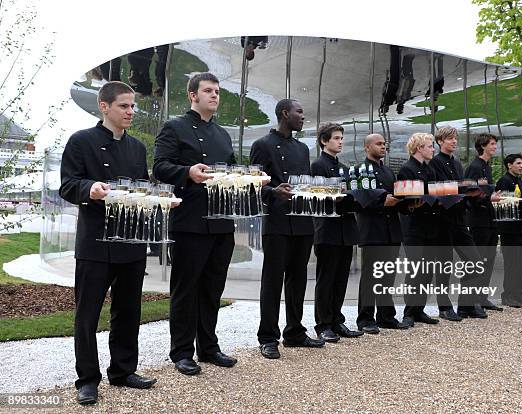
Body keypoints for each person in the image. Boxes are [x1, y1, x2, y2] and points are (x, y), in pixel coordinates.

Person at [60, 81, 156, 405]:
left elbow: (141, 191)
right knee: (86, 316)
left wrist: (159, 201)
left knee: (128, 311)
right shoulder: (80, 141)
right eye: (124, 106)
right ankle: (87, 379)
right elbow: (68, 185)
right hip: (95, 244)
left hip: (130, 243)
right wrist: (90, 188)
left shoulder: (138, 148)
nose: (131, 112)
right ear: (104, 106)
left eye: (133, 107)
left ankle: (123, 370)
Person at [153, 72, 238, 375]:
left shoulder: (223, 134)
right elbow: (160, 167)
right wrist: (187, 172)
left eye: (217, 91)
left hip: (222, 221)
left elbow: (230, 170)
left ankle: (209, 347)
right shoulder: (173, 128)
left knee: (213, 288)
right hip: (189, 221)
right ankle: (181, 351)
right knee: (186, 288)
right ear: (192, 95)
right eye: (208, 91)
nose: (215, 95)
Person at [250, 99, 325, 359]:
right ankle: (268, 337)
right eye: (299, 111)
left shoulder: (302, 148)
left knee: (298, 279)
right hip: (278, 222)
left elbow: (304, 183)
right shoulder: (262, 145)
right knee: (272, 280)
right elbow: (254, 183)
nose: (303, 116)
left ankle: (294, 331)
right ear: (285, 113)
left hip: (303, 221)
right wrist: (272, 191)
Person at [311, 123, 363, 342]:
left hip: (346, 228)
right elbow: (319, 196)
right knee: (326, 278)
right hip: (327, 229)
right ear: (324, 141)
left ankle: (336, 320)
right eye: (336, 138)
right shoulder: (317, 166)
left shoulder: (344, 167)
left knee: (341, 278)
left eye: (341, 138)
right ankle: (323, 324)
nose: (340, 141)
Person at [429, 126, 486, 320]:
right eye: (450, 139)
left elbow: (460, 190)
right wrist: (461, 187)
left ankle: (466, 305)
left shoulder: (458, 164)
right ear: (440, 142)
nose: (454, 141)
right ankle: (444, 307)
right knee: (444, 266)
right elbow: (435, 189)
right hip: (442, 220)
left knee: (475, 261)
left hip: (459, 219)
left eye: (455, 139)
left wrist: (472, 192)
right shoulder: (434, 163)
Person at [355, 134, 410, 334]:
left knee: (388, 275)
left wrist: (408, 203)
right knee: (371, 276)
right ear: (367, 146)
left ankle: (386, 316)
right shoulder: (359, 171)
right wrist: (382, 202)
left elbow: (396, 198)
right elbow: (360, 200)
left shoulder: (388, 172)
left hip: (391, 230)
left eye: (384, 144)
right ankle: (365, 318)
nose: (383, 147)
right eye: (379, 144)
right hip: (372, 229)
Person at [398, 133, 442, 325]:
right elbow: (405, 199)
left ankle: (419, 309)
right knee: (415, 270)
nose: (433, 149)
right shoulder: (406, 170)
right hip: (414, 226)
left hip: (430, 225)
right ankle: (409, 311)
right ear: (418, 148)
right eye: (430, 146)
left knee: (427, 270)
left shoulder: (430, 169)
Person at [465, 133, 503, 311]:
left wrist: (491, 198)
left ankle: (482, 297)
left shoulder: (487, 167)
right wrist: (490, 198)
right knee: (477, 261)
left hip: (490, 220)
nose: (495, 147)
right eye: (492, 144)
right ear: (483, 146)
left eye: (495, 144)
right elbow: (470, 195)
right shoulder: (474, 167)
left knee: (488, 260)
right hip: (478, 221)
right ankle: (471, 300)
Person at [495, 154, 522, 307]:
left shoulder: (520, 181)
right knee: (512, 262)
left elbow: (521, 205)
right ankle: (507, 295)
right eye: (518, 163)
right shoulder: (504, 181)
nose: (521, 166)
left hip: (521, 227)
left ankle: (518, 293)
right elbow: (504, 206)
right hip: (509, 229)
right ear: (509, 165)